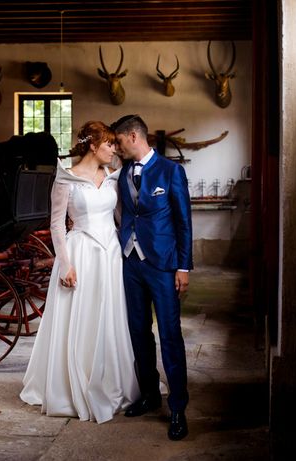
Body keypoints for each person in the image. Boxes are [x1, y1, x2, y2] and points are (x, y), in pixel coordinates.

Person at [20, 121, 139, 424]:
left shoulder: (113, 178)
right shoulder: (66, 179)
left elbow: (121, 218)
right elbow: (57, 224)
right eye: (109, 144)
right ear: (92, 146)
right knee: (82, 316)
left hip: (110, 253)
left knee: (110, 316)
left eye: (115, 144)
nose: (114, 149)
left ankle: (112, 379)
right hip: (80, 254)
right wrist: (65, 263)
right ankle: (73, 383)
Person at [111, 114, 193, 441]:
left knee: (170, 333)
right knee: (138, 331)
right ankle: (149, 395)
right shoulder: (122, 175)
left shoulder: (172, 172)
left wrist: (184, 267)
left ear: (133, 136)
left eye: (118, 140)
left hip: (163, 265)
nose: (116, 146)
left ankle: (178, 407)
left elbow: (184, 223)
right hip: (130, 263)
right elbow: (124, 215)